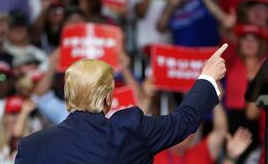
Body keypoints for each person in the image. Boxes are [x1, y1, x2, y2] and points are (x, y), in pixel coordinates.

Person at [15, 44, 228, 164]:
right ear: (108, 98)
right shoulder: (130, 130)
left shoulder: (32, 145)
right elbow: (183, 121)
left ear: (68, 95)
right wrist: (208, 77)